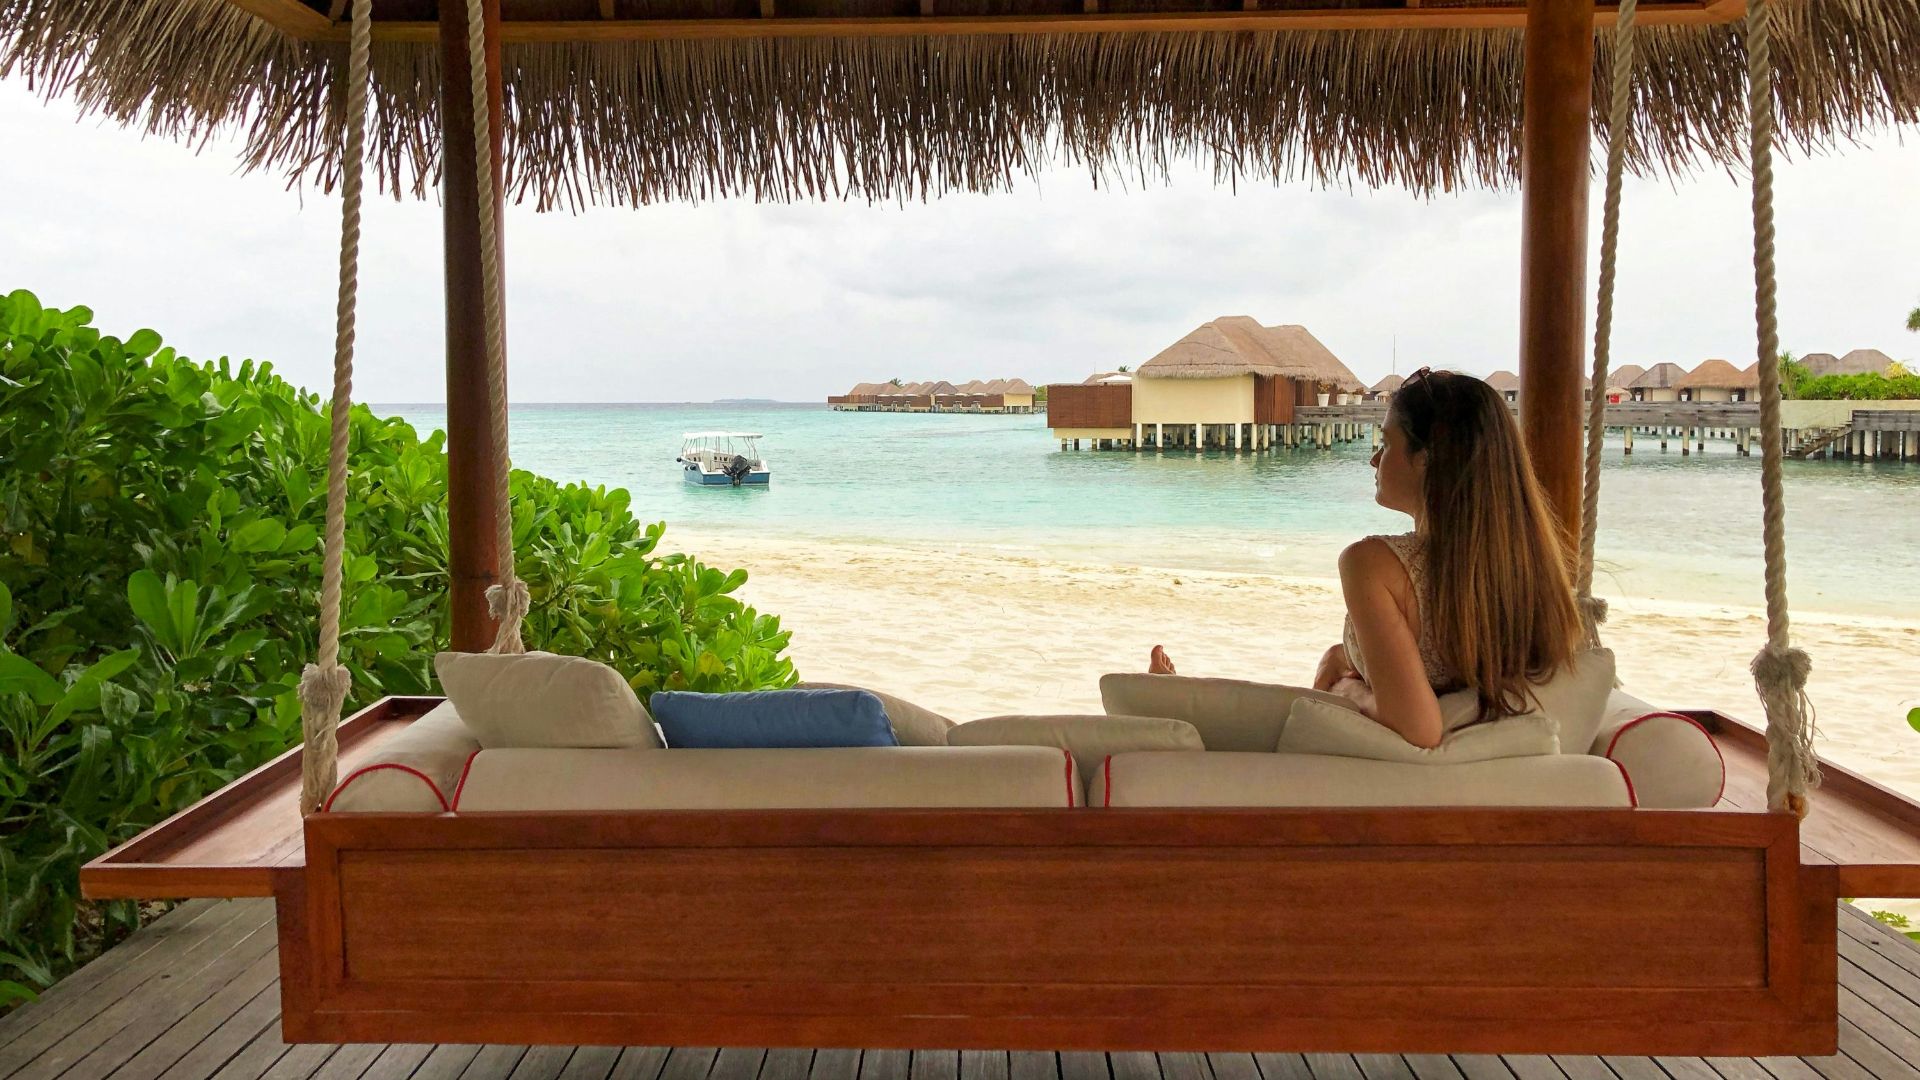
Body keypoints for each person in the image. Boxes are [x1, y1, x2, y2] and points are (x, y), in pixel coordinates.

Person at [1148, 368, 1583, 748]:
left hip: (1369, 778)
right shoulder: (1530, 574)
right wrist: (1347, 657)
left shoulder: (1373, 565)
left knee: (1272, 713)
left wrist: (1345, 690)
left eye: (1386, 443)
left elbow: (1418, 727)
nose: (1374, 459)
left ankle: (1175, 707)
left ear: (1426, 460)